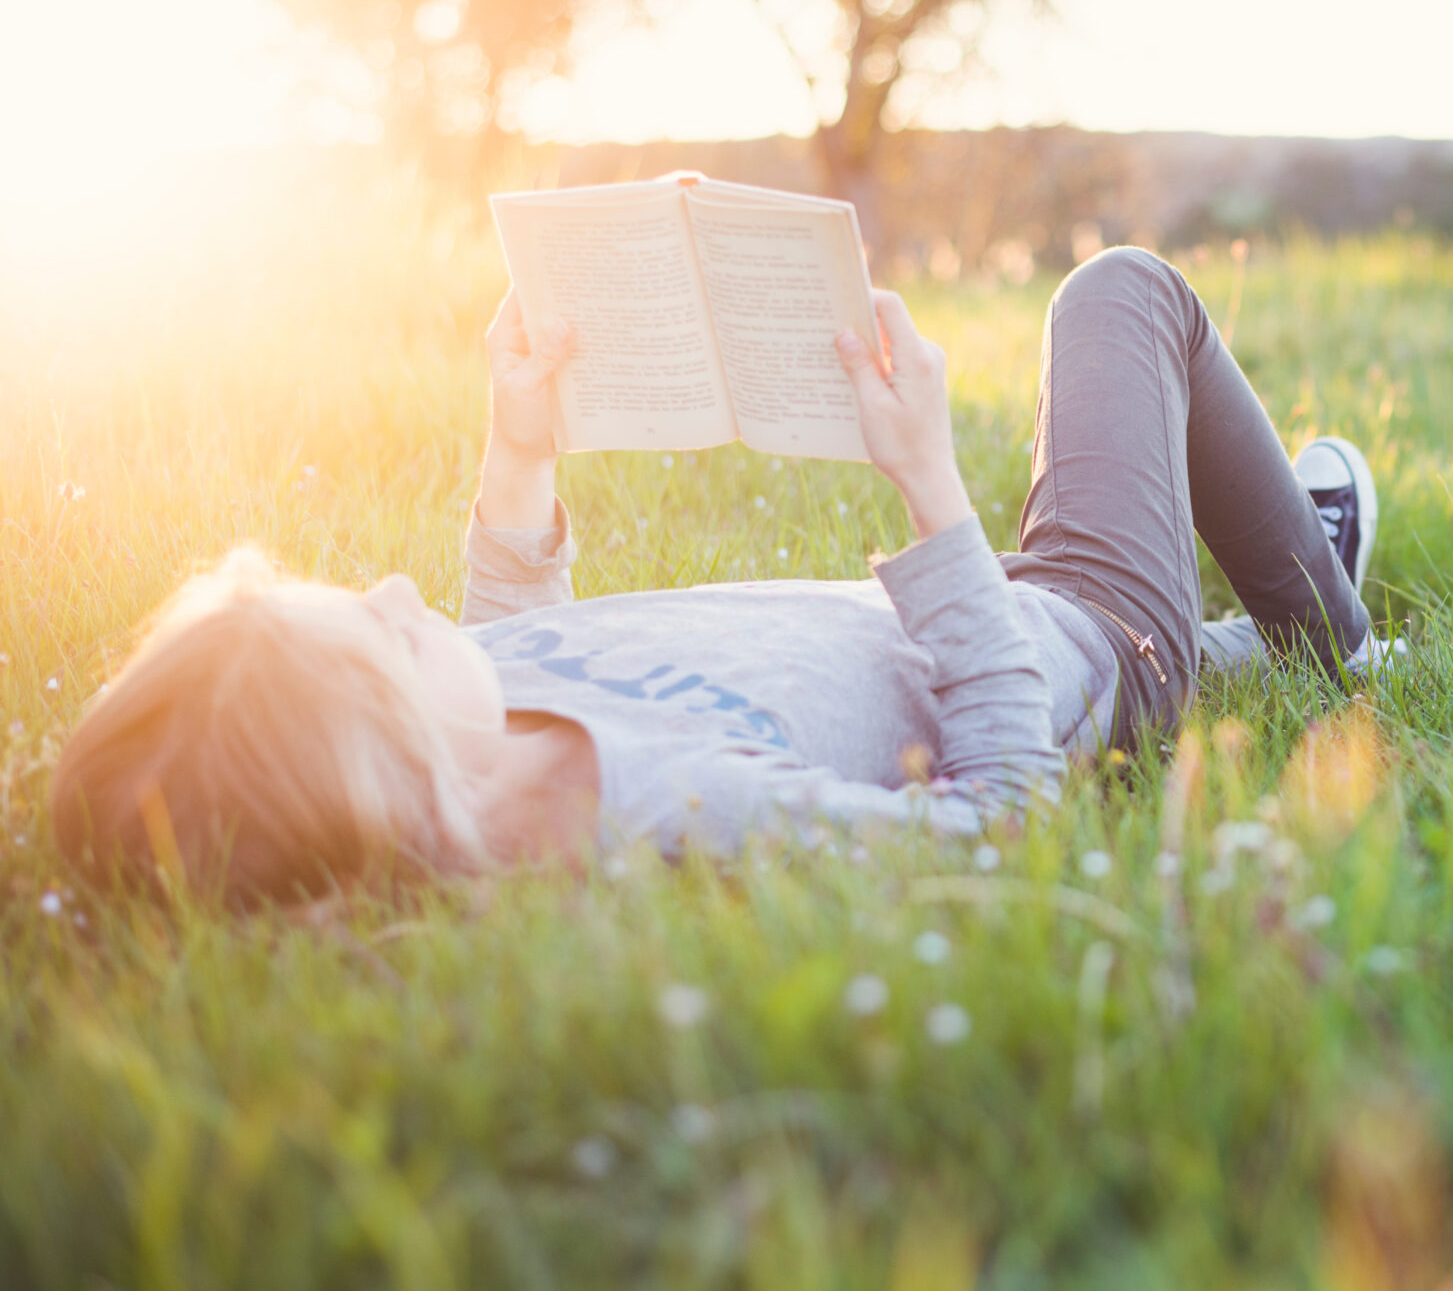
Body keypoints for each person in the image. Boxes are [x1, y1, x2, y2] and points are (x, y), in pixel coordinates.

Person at [51, 246, 1384, 906]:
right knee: (1121, 292)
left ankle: (1250, 621)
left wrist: (517, 453)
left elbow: (515, 647)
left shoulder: (483, 739)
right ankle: (1328, 624)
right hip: (1076, 639)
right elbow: (1006, 826)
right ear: (399, 778)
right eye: (384, 640)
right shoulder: (672, 812)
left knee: (1130, 453)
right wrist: (926, 480)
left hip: (955, 617)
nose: (399, 596)